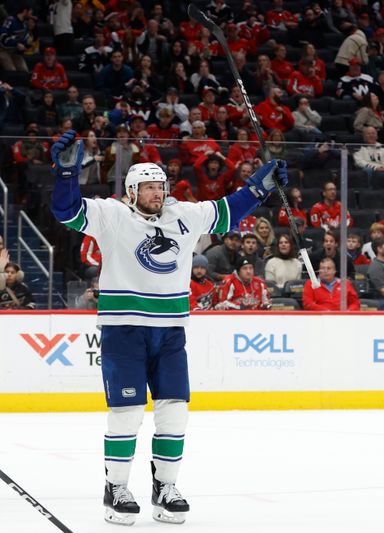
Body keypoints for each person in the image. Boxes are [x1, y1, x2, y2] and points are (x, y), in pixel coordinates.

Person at [49, 130, 288, 525]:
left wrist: (258, 187)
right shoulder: (113, 216)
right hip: (124, 330)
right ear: (131, 191)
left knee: (175, 412)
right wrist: (65, 176)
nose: (157, 193)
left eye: (160, 186)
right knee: (126, 413)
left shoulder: (184, 216)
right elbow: (67, 211)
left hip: (171, 331)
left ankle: (165, 487)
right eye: (148, 188)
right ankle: (117, 489)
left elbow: (228, 210)